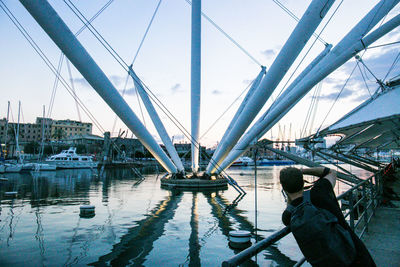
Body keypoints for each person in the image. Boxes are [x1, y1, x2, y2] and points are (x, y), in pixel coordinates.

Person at [280, 167, 376, 267]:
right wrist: (302, 171)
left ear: (284, 188)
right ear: (303, 183)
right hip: (356, 255)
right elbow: (330, 172)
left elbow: (291, 205)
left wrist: (289, 195)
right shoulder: (321, 191)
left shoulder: (288, 216)